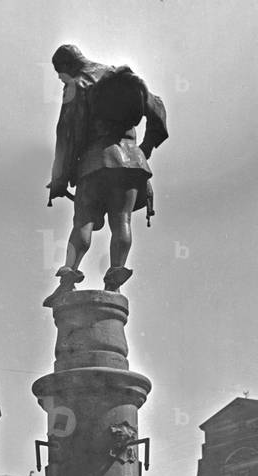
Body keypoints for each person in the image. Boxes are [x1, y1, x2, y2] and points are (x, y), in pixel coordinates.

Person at [44, 44, 168, 306]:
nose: (59, 79)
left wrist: (59, 180)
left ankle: (67, 281)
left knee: (83, 222)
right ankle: (114, 283)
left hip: (95, 163)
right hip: (131, 164)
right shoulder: (117, 75)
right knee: (121, 221)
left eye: (59, 74)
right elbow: (157, 107)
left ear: (67, 67)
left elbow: (66, 134)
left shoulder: (77, 84)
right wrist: (143, 149)